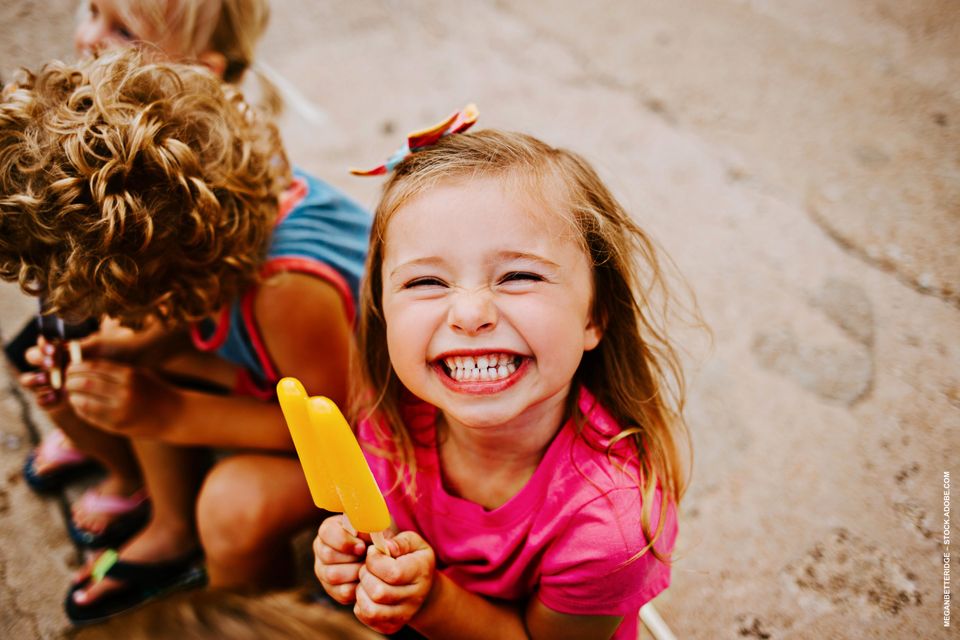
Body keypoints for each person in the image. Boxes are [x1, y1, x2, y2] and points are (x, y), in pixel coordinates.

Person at [0, 48, 370, 622]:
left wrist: (168, 412)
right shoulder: (219, 198)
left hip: (389, 431)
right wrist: (143, 347)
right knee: (128, 355)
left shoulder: (287, 291)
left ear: (170, 271)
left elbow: (343, 430)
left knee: (234, 506)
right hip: (296, 372)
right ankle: (171, 525)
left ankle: (265, 622)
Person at [312, 119, 693, 639]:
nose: (470, 313)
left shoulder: (611, 528)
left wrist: (428, 599)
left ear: (594, 315)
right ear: (382, 310)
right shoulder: (389, 410)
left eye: (519, 275)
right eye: (426, 280)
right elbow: (381, 530)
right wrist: (353, 552)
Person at [18, 0, 275, 505]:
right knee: (80, 349)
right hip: (198, 319)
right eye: (90, 10)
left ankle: (165, 513)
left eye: (124, 32)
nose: (89, 37)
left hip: (252, 358)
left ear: (200, 68)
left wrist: (165, 409)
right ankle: (116, 457)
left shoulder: (220, 179)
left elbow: (345, 421)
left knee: (116, 342)